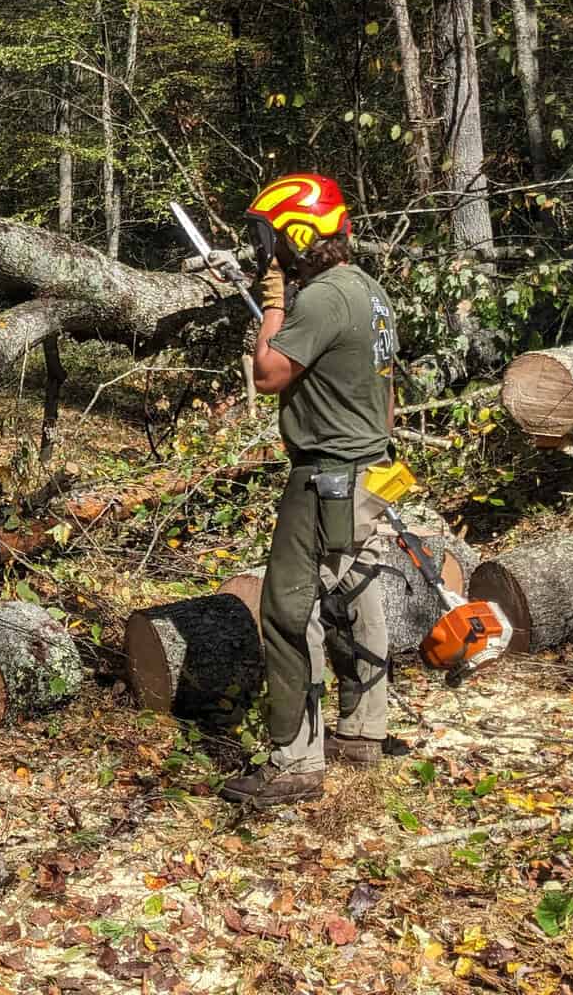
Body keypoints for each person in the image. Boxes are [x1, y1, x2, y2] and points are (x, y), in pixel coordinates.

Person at [216, 174, 399, 809]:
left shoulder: (320, 298)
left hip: (326, 475)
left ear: (298, 233)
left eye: (271, 241)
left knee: (290, 611)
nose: (270, 254)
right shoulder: (370, 293)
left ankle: (294, 761)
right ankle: (363, 731)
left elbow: (268, 374)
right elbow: (389, 394)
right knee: (356, 592)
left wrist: (272, 302)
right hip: (370, 465)